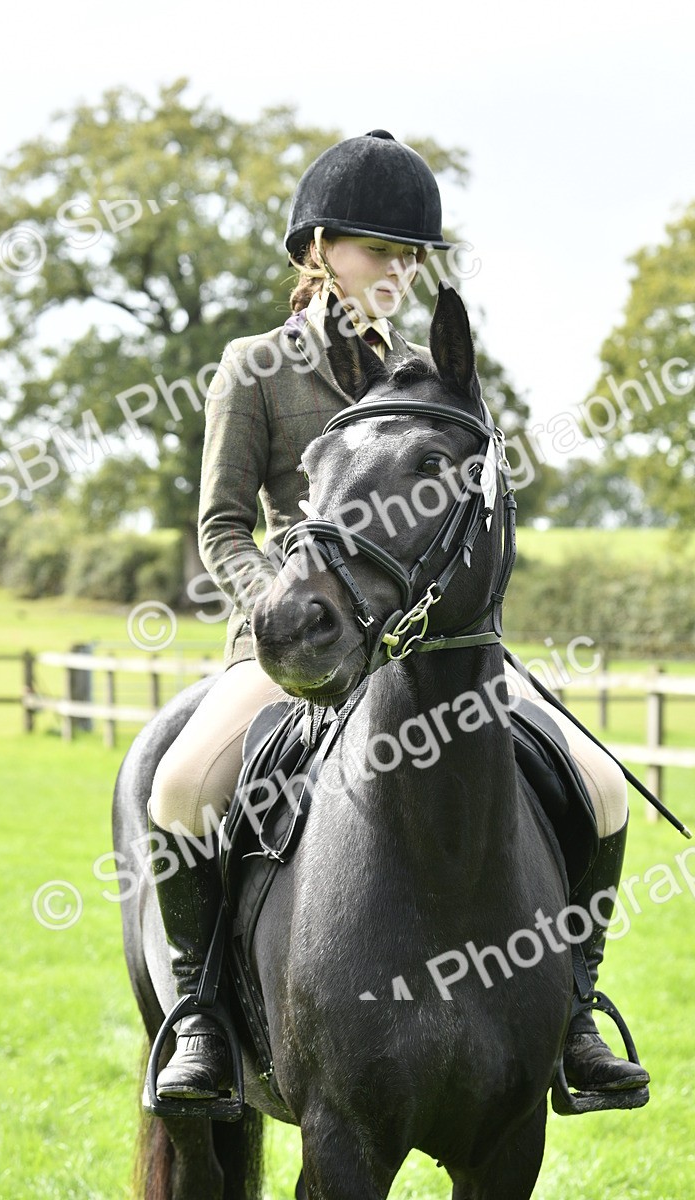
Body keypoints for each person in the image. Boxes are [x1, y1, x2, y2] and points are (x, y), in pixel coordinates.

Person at [146, 130, 649, 1102]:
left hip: (424, 651)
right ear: (320, 247)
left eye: (409, 256)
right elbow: (220, 528)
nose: (397, 270)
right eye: (381, 250)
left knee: (599, 785)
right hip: (293, 647)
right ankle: (202, 1014)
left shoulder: (428, 379)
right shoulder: (252, 368)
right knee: (176, 788)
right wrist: (286, 610)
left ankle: (572, 1015)